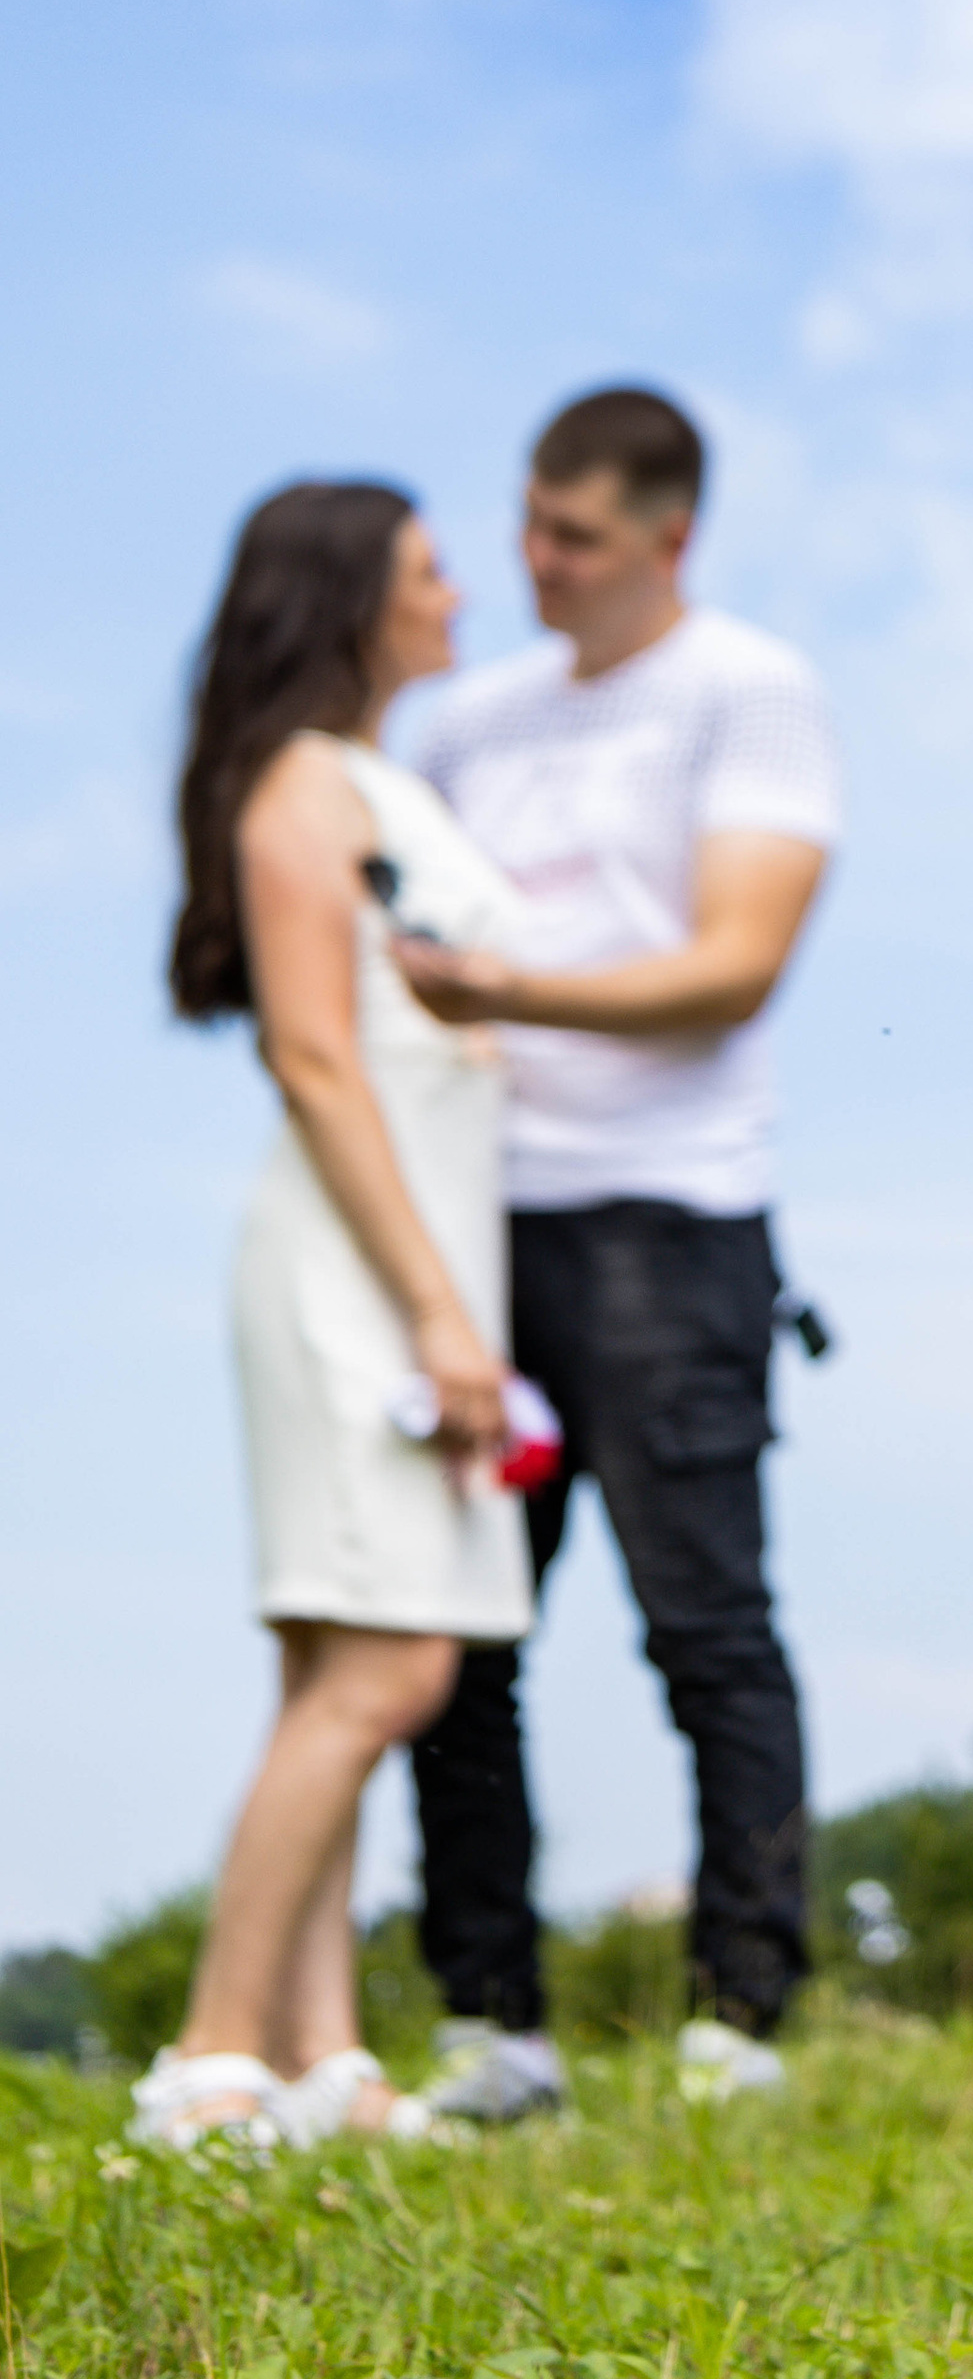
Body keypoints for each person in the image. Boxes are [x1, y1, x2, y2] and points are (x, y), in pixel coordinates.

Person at [394, 385, 837, 2117]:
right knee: (458, 1644)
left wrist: (494, 992)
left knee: (705, 1625)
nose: (536, 564)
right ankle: (488, 2026)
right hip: (475, 1225)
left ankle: (743, 2019)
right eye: (527, 524)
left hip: (672, 1214)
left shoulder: (747, 691)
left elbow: (734, 964)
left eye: (573, 537)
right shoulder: (467, 727)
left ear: (670, 536)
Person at [150, 482, 532, 2151]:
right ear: (350, 600)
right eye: (429, 572)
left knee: (339, 1662)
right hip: (355, 1279)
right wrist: (444, 1319)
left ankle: (324, 2065)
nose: (458, 594)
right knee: (386, 1668)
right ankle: (210, 2059)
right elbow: (312, 1057)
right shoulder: (303, 788)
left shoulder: (374, 782)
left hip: (404, 1265)